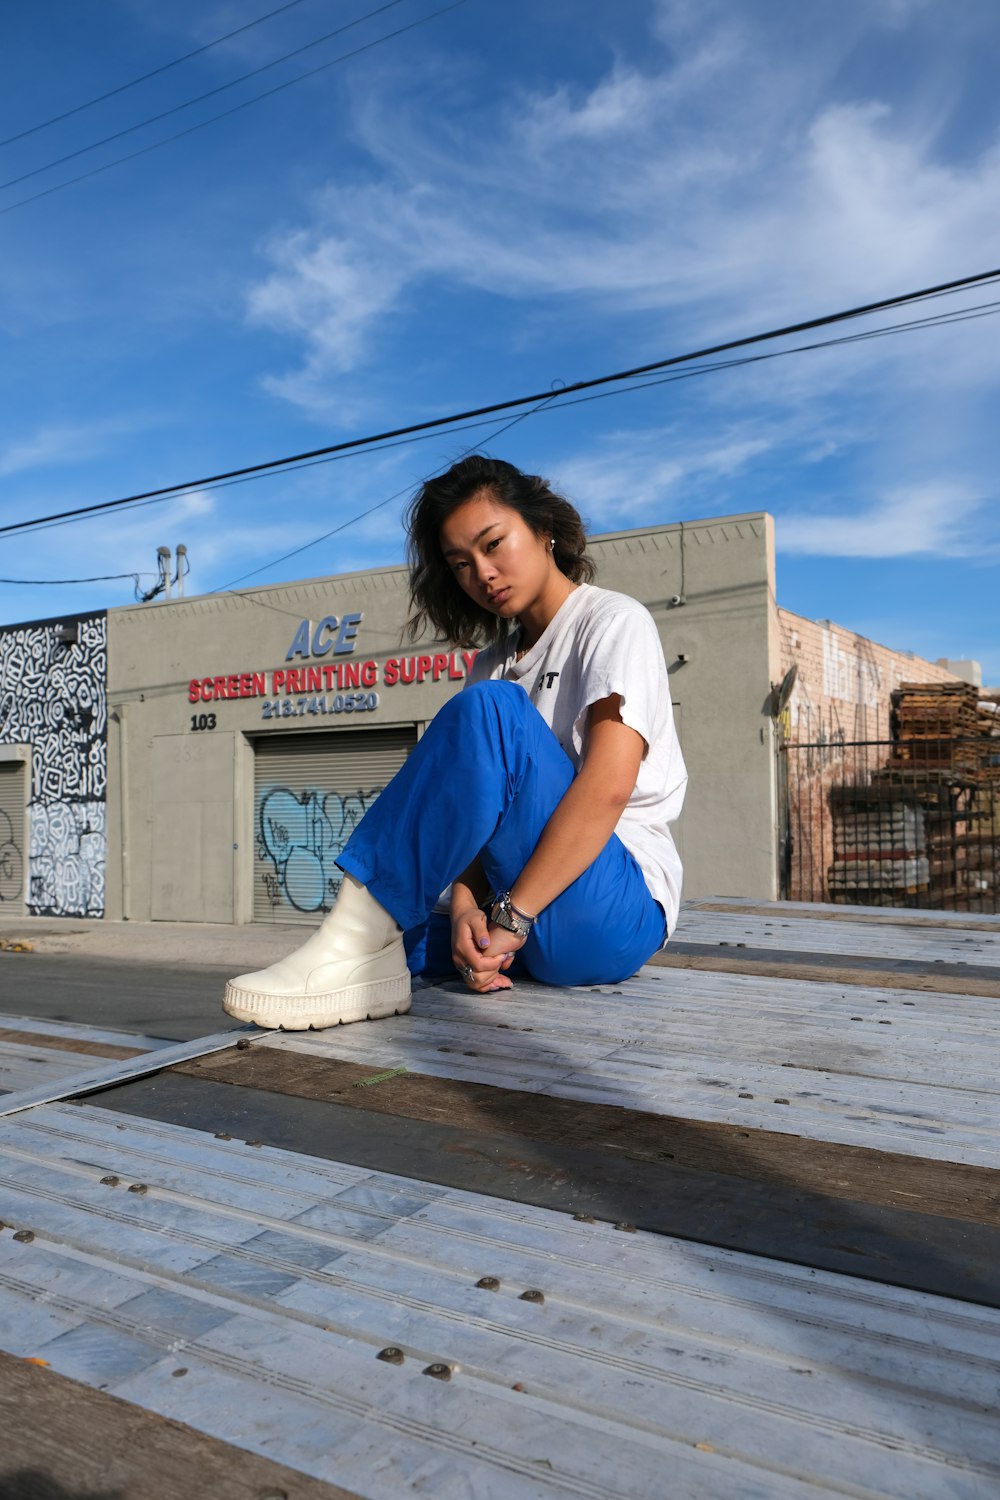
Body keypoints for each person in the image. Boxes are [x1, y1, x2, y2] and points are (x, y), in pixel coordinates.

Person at [224, 455, 687, 1030]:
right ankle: (345, 959)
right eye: (461, 564)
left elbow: (609, 787)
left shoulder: (612, 622)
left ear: (544, 530)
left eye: (494, 544)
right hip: (516, 909)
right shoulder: (492, 664)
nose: (483, 574)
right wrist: (468, 906)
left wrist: (513, 916)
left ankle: (350, 947)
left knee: (492, 711)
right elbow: (476, 816)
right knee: (398, 930)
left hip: (610, 910)